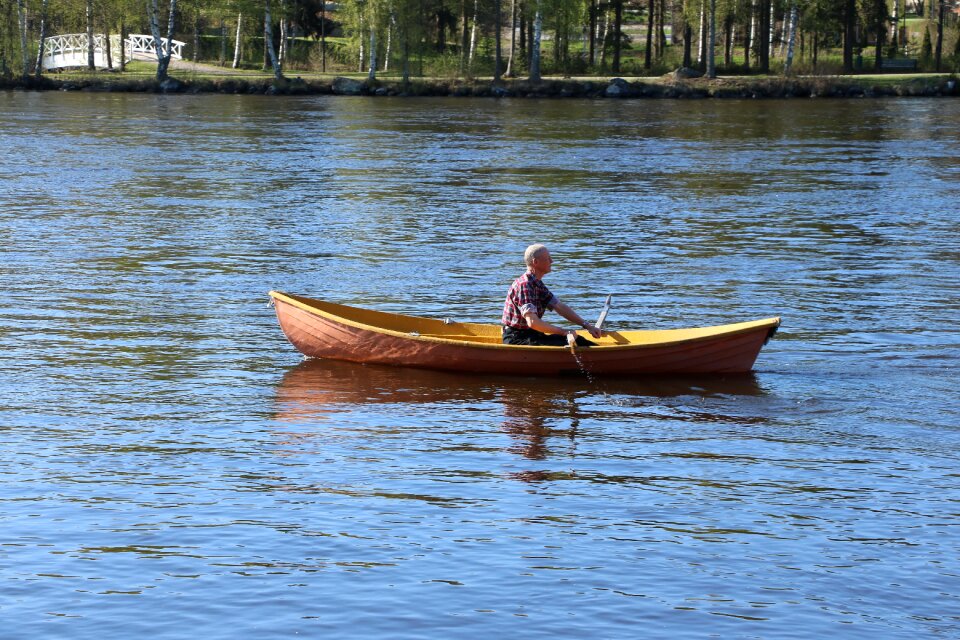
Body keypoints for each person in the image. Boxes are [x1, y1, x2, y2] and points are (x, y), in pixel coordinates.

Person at [502, 244, 604, 347]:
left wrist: (587, 326)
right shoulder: (525, 285)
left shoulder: (537, 284)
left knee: (579, 340)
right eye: (547, 259)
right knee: (570, 343)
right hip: (516, 338)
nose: (552, 261)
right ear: (535, 262)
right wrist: (564, 332)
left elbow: (559, 307)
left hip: (531, 335)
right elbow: (533, 322)